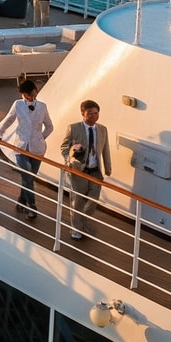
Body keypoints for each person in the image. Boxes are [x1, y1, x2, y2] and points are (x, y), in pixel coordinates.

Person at [0, 80, 54, 219]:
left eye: (33, 95)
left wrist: (41, 138)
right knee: (28, 177)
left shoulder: (42, 106)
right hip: (20, 147)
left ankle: (21, 200)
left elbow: (49, 126)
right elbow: (8, 119)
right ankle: (32, 207)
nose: (32, 98)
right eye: (28, 96)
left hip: (37, 149)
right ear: (23, 94)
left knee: (28, 178)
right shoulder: (17, 104)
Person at [58, 100, 112, 240]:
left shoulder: (102, 129)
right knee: (77, 201)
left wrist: (108, 167)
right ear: (83, 114)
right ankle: (76, 229)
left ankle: (80, 221)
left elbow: (105, 149)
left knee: (93, 201)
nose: (94, 116)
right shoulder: (73, 128)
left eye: (96, 113)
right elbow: (64, 147)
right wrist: (69, 160)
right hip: (79, 170)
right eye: (90, 113)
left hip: (95, 170)